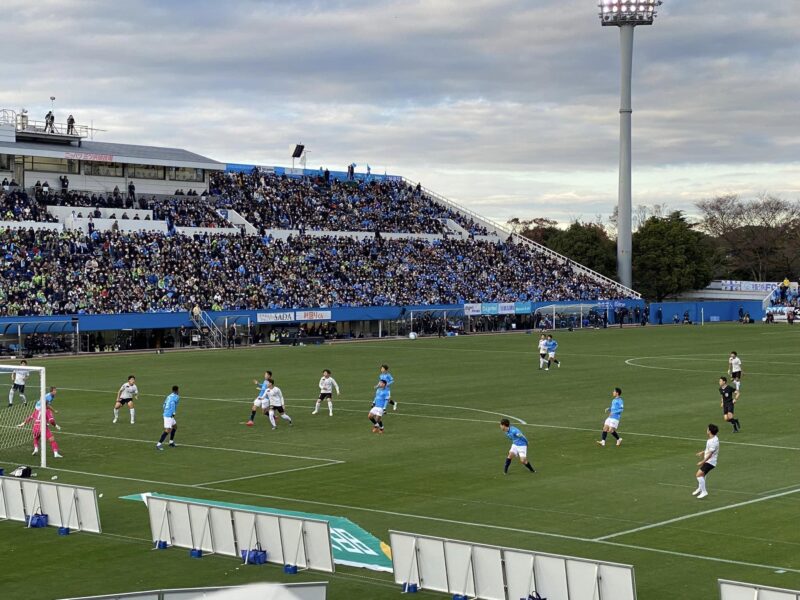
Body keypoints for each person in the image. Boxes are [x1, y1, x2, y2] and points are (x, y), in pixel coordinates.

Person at [693, 424, 720, 499]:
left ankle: (704, 491)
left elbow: (711, 454)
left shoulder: (713, 442)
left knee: (698, 475)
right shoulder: (712, 439)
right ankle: (700, 488)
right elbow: (709, 450)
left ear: (710, 431)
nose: (706, 430)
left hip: (710, 462)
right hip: (709, 461)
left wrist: (702, 461)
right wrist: (702, 452)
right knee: (702, 475)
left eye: (707, 429)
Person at [156, 385, 180, 450]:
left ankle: (171, 442)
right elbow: (172, 404)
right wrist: (173, 412)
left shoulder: (169, 396)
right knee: (168, 430)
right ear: (177, 390)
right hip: (169, 415)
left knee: (175, 426)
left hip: (167, 413)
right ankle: (158, 444)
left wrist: (166, 411)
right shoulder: (177, 397)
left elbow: (164, 404)